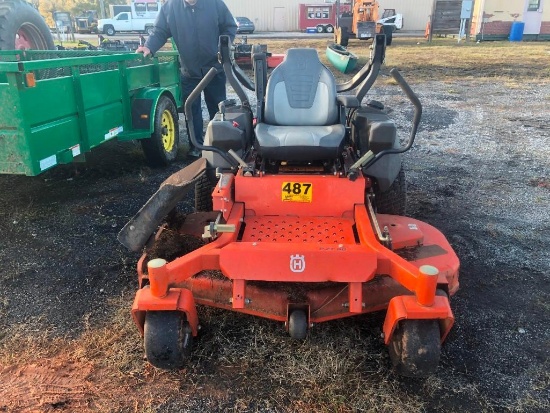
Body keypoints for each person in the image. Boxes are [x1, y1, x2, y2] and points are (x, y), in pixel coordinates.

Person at [136, 0, 237, 157]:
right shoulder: (170, 8)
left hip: (214, 68)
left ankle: (219, 145)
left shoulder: (215, 4)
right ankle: (196, 146)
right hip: (189, 70)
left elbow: (230, 26)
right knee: (191, 109)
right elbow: (160, 31)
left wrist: (223, 45)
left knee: (217, 108)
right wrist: (149, 46)